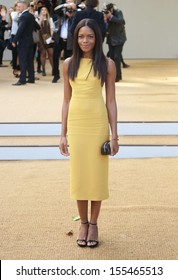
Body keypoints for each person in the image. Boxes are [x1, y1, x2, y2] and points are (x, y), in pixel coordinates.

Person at [59, 18, 119, 248]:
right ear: (76, 38)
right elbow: (66, 100)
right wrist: (62, 134)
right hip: (76, 125)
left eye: (90, 36)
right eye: (81, 36)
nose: (85, 40)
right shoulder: (67, 64)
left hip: (97, 124)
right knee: (80, 175)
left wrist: (114, 135)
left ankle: (93, 224)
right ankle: (82, 222)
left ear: (97, 38)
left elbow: (111, 101)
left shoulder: (107, 64)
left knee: (96, 175)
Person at [12, 0, 40, 85]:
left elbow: (20, 29)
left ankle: (22, 80)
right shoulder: (31, 16)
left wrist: (14, 40)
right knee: (30, 60)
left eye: (19, 6)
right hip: (30, 41)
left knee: (23, 60)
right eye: (17, 6)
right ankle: (31, 78)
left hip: (23, 42)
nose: (17, 8)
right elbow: (38, 27)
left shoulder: (23, 16)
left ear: (24, 6)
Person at [52, 2, 76, 83]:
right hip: (59, 40)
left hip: (69, 41)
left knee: (67, 59)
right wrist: (64, 5)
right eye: (68, 10)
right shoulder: (62, 16)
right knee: (55, 57)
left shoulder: (75, 17)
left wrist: (72, 14)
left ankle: (68, 76)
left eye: (71, 10)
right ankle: (56, 75)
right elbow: (55, 10)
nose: (69, 12)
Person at [103, 2, 127, 82]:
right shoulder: (107, 15)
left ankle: (117, 76)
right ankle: (114, 75)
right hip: (110, 39)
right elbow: (106, 28)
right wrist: (105, 20)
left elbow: (121, 21)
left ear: (112, 9)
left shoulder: (118, 12)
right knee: (112, 58)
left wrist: (111, 16)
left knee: (117, 57)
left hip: (119, 39)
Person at [37, 5, 55, 76]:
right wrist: (40, 20)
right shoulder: (37, 19)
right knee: (43, 54)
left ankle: (54, 69)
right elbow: (37, 28)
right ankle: (43, 69)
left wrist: (50, 38)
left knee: (51, 54)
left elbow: (52, 29)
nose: (44, 11)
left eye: (45, 10)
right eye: (42, 10)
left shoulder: (50, 19)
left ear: (47, 11)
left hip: (48, 37)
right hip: (40, 38)